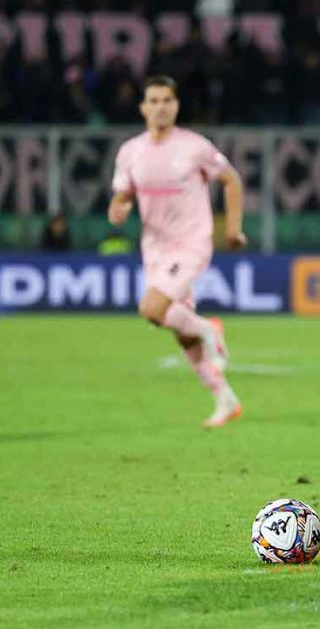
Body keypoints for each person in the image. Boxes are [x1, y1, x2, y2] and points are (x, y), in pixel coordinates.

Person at [108, 74, 247, 429]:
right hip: (154, 249)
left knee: (151, 308)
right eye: (153, 101)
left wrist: (232, 228)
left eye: (167, 101)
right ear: (143, 107)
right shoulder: (131, 151)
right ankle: (225, 398)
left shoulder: (194, 146)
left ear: (176, 105)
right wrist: (118, 209)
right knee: (180, 331)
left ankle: (209, 329)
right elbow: (122, 195)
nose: (161, 108)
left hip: (191, 243)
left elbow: (231, 179)